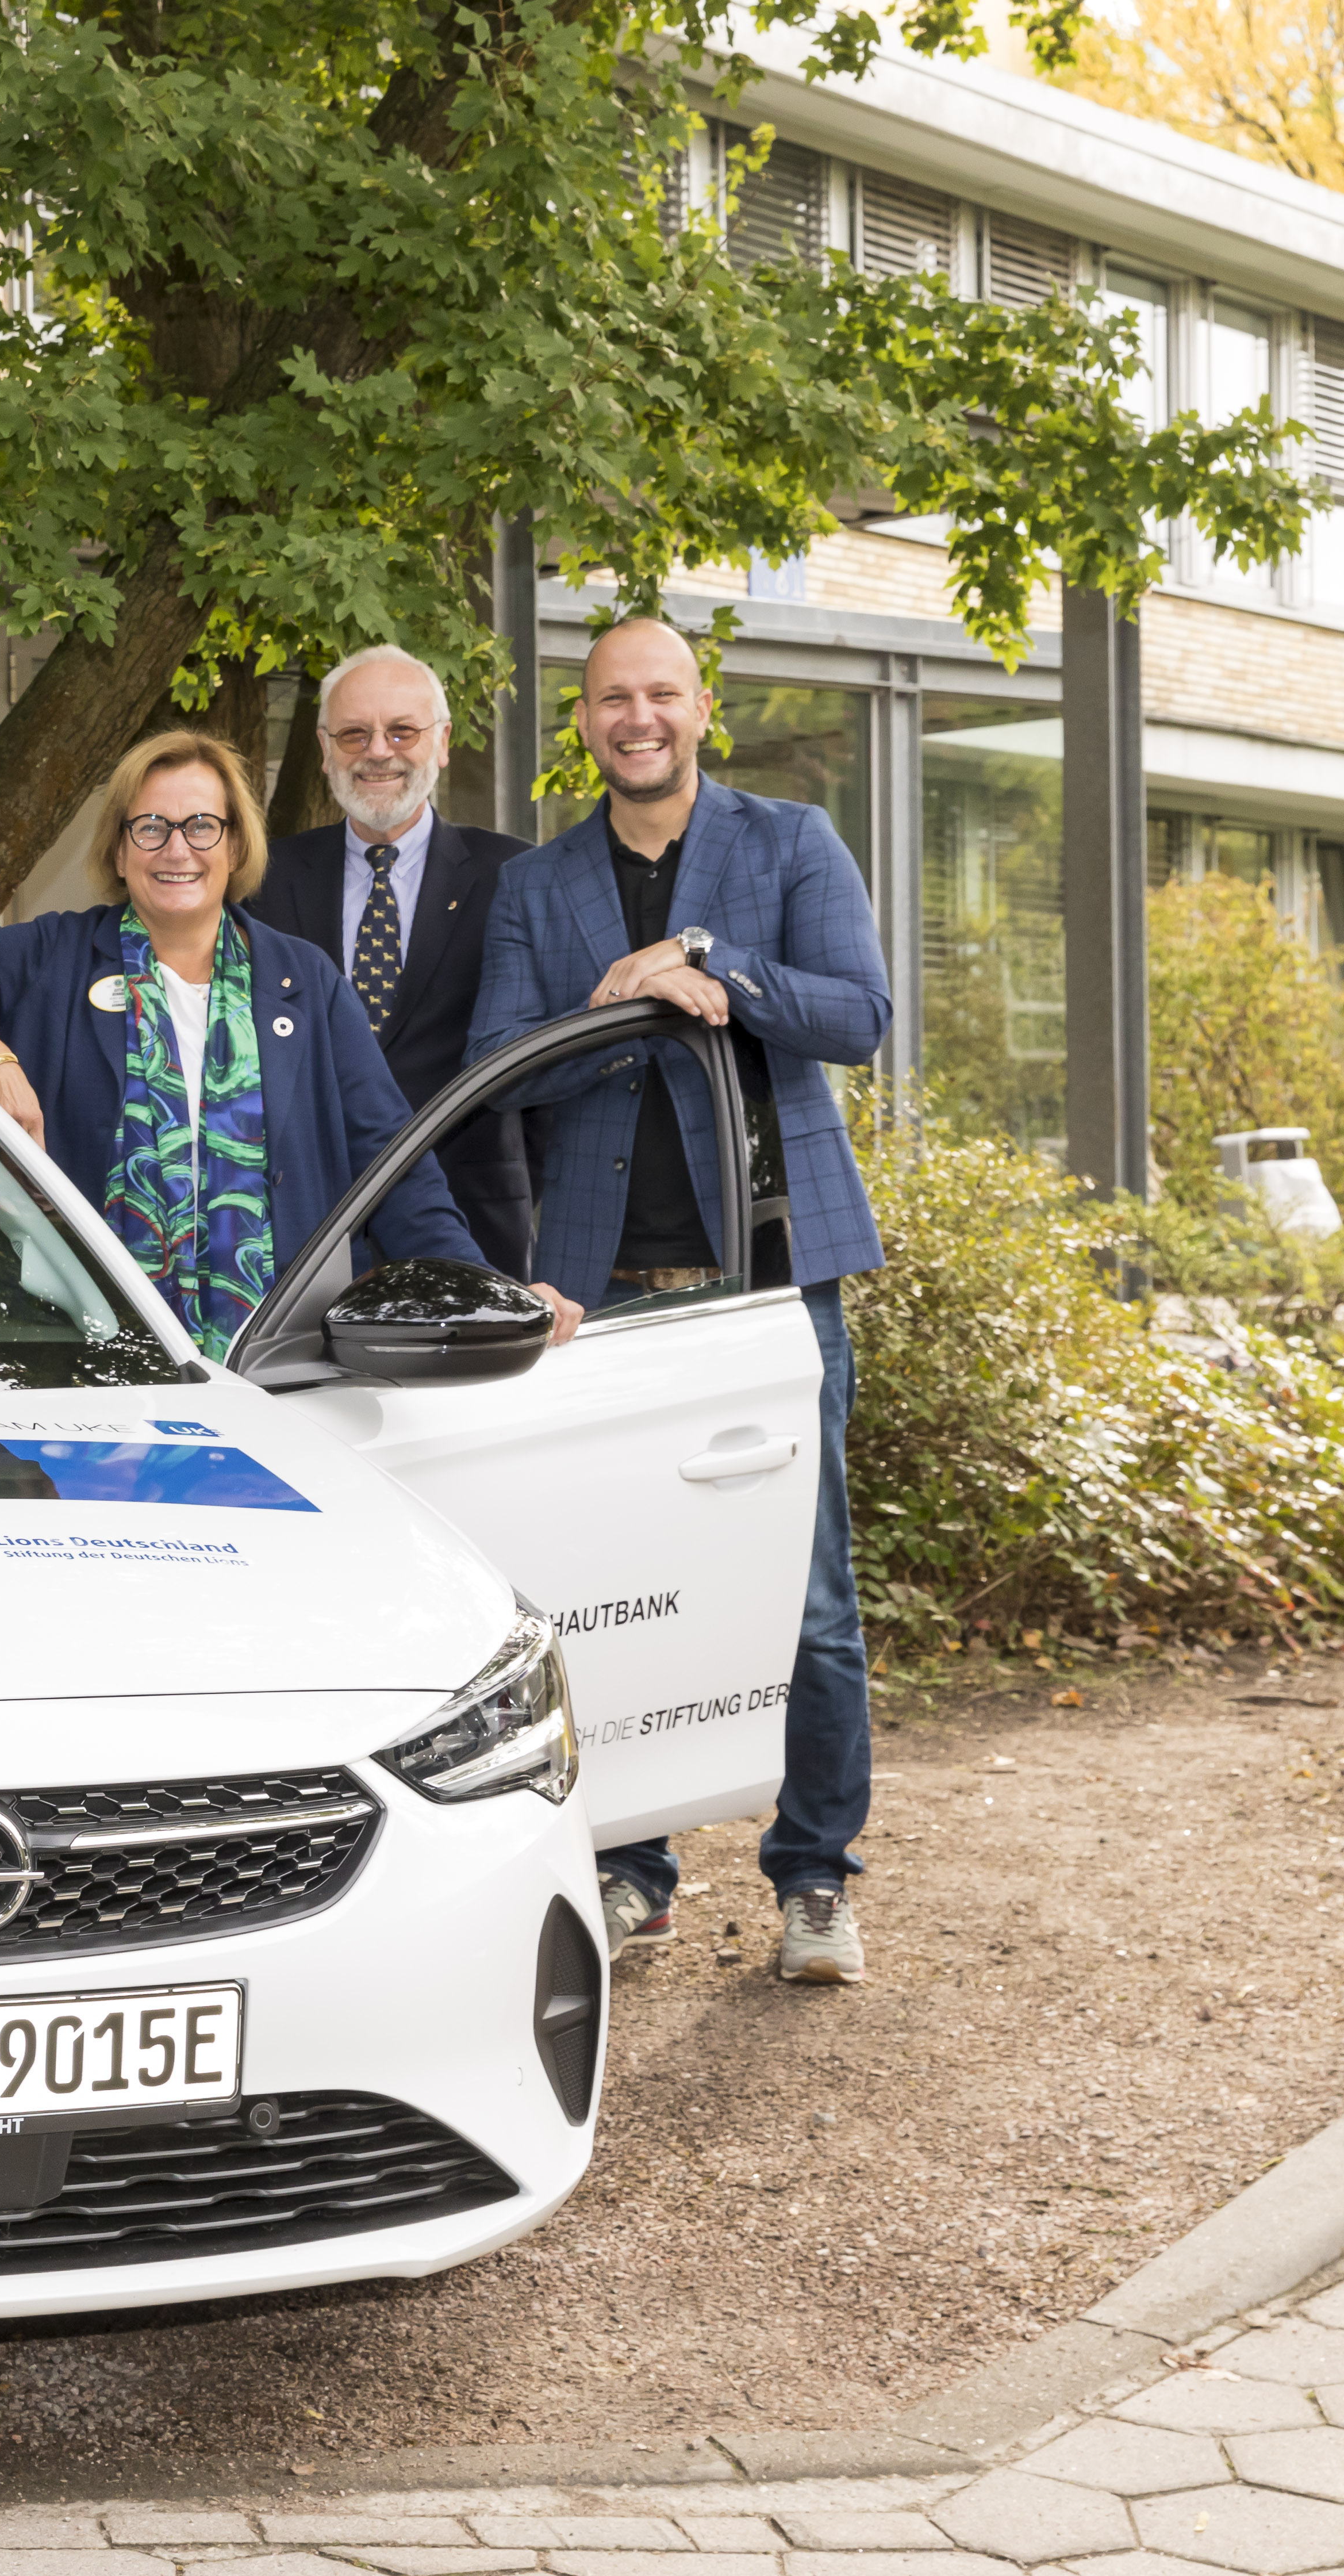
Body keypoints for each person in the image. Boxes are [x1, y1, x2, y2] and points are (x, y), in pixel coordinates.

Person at [466, 617, 892, 1985]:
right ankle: (635, 1865)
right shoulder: (542, 886)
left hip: (771, 1276)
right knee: (617, 1591)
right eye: (609, 700)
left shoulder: (790, 844)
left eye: (660, 695)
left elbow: (860, 1016)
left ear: (702, 708)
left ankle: (815, 1875)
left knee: (807, 1595)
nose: (636, 718)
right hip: (605, 1290)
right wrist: (619, 1008)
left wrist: (713, 973)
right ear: (582, 725)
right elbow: (499, 1072)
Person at [0, 729, 575, 1360]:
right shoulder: (53, 956)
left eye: (201, 826)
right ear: (121, 850)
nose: (176, 849)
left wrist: (488, 1295)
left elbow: (394, 1166)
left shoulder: (301, 980)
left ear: (235, 844)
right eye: (150, 827)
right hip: (75, 1352)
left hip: (273, 1356)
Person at [242, 645, 536, 1272]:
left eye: (402, 730)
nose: (378, 751)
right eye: (354, 734)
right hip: (306, 1235)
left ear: (443, 742)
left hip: (471, 1225)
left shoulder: (517, 875)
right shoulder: (263, 881)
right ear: (324, 750)